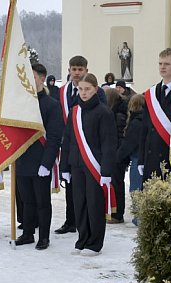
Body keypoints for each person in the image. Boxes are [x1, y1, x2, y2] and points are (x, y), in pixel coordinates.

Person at [60, 73, 118, 256]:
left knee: (94, 205)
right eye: (81, 89)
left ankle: (94, 243)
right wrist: (64, 167)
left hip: (95, 167)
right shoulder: (75, 111)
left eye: (88, 89)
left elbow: (109, 144)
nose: (83, 93)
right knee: (80, 204)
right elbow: (68, 140)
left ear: (96, 90)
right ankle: (82, 239)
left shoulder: (104, 112)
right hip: (76, 166)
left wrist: (107, 171)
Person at [14, 63, 63, 250]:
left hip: (41, 160)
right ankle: (27, 233)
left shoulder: (51, 105)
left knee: (42, 202)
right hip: (23, 159)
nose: (29, 80)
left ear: (42, 79)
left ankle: (43, 237)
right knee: (26, 201)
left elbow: (54, 137)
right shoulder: (21, 104)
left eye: (33, 76)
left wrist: (47, 163)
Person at [55, 55, 106, 235]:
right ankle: (71, 221)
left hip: (89, 149)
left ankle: (88, 227)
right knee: (72, 188)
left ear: (86, 70)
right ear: (69, 70)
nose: (76, 73)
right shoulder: (61, 91)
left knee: (89, 194)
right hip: (69, 146)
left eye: (80, 69)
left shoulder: (96, 92)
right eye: (73, 69)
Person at [138, 48, 171, 182]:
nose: (162, 67)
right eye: (160, 63)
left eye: (167, 64)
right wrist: (141, 159)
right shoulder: (152, 93)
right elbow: (144, 128)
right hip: (151, 156)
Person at [117, 93, 147, 225]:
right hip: (145, 158)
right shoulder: (145, 119)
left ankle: (139, 217)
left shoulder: (135, 122)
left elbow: (129, 143)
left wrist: (118, 157)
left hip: (137, 158)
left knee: (136, 188)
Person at [105, 87, 128, 223]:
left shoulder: (118, 115)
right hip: (115, 154)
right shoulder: (117, 112)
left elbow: (119, 136)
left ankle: (117, 214)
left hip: (117, 155)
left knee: (117, 184)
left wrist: (117, 155)